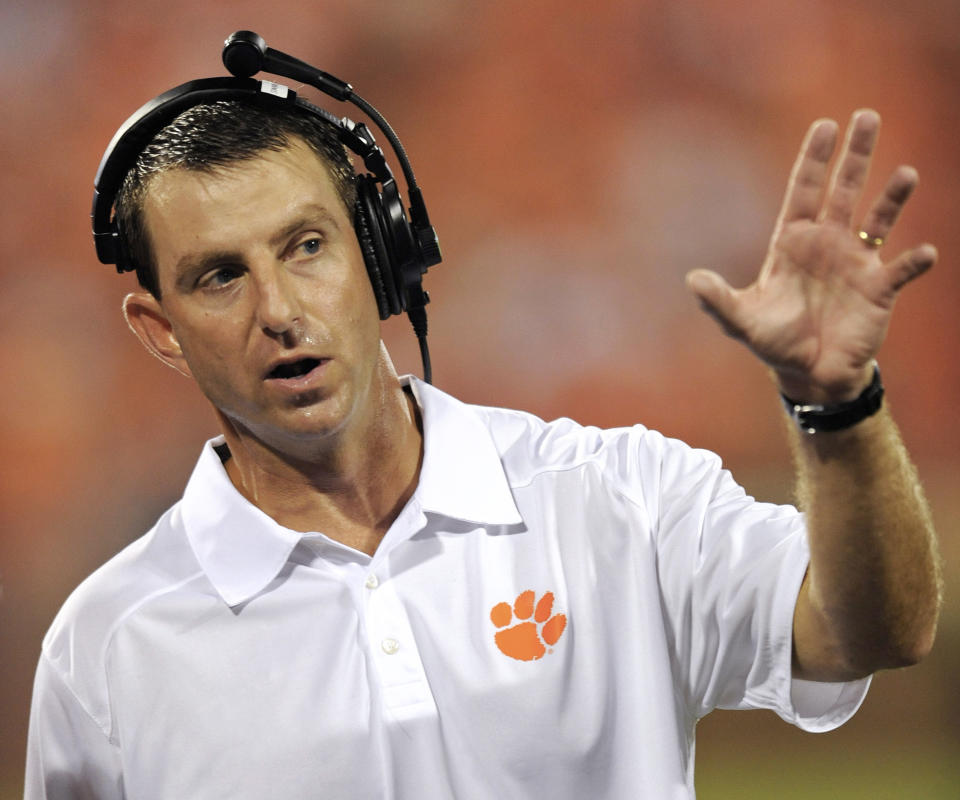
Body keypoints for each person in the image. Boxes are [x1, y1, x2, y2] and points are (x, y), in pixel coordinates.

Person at [24, 78, 941, 798]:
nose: (280, 312)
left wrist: (837, 402)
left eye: (307, 246)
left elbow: (873, 628)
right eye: (221, 276)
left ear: (379, 253)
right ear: (159, 329)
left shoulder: (615, 497)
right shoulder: (106, 650)